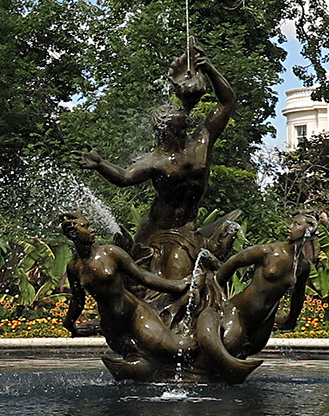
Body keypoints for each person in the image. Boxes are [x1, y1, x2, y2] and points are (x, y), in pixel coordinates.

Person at [74, 41, 236, 281]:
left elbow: (227, 102)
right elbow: (125, 177)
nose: (183, 114)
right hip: (156, 231)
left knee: (188, 279)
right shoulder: (155, 160)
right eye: (175, 115)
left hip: (187, 229)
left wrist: (210, 70)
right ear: (166, 128)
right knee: (150, 284)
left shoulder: (202, 141)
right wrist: (100, 165)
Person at [59, 212, 191, 381]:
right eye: (86, 226)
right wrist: (69, 323)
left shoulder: (111, 253)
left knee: (175, 348)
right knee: (137, 364)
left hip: (136, 315)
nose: (92, 230)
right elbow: (78, 300)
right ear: (73, 234)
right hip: (113, 328)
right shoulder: (74, 267)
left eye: (90, 225)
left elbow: (143, 277)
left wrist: (176, 286)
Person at [190, 213, 315, 381]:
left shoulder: (302, 265)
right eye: (292, 223)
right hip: (239, 311)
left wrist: (292, 319)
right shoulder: (268, 251)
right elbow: (234, 261)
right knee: (228, 344)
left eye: (296, 224)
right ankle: (193, 378)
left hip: (264, 321)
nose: (289, 227)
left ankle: (230, 396)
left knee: (244, 353)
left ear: (308, 232)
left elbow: (298, 295)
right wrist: (216, 291)